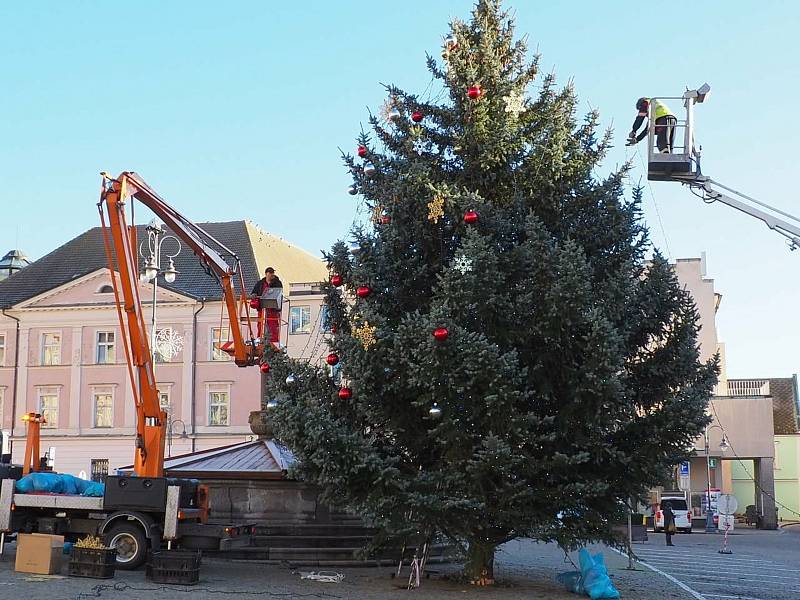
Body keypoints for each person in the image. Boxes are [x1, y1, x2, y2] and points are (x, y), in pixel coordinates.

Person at [250, 267, 283, 343]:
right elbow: (254, 292)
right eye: (270, 272)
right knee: (261, 324)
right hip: (262, 308)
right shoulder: (260, 283)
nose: (272, 274)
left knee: (273, 325)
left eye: (272, 273)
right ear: (266, 274)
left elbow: (279, 292)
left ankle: (274, 341)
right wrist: (254, 295)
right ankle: (260, 339)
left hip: (273, 308)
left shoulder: (277, 282)